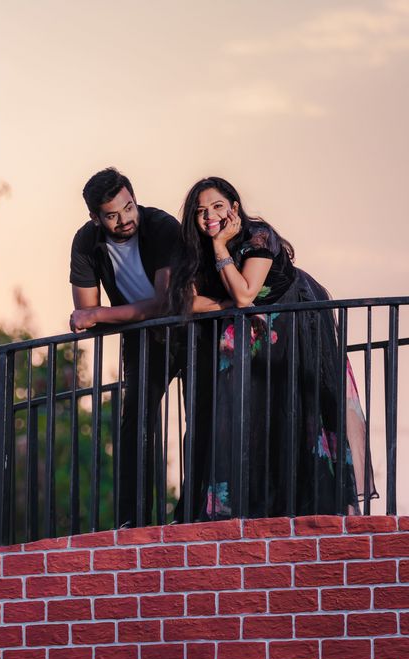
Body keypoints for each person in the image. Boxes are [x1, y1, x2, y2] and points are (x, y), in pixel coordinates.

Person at [165, 176, 374, 519]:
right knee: (249, 412)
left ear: (234, 207)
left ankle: (330, 503)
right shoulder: (193, 249)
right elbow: (185, 301)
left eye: (217, 206)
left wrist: (221, 249)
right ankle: (254, 505)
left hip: (295, 320)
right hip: (253, 329)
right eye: (201, 211)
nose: (209, 216)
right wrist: (230, 303)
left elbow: (246, 292)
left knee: (304, 407)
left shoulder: (258, 235)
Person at [69, 167, 183, 528]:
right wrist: (96, 314)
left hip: (188, 330)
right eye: (112, 215)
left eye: (129, 207)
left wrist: (102, 312)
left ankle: (198, 511)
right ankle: (132, 521)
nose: (124, 220)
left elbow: (166, 303)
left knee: (204, 414)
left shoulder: (162, 226)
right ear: (95, 217)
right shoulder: (86, 242)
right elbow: (84, 312)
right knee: (134, 421)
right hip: (141, 340)